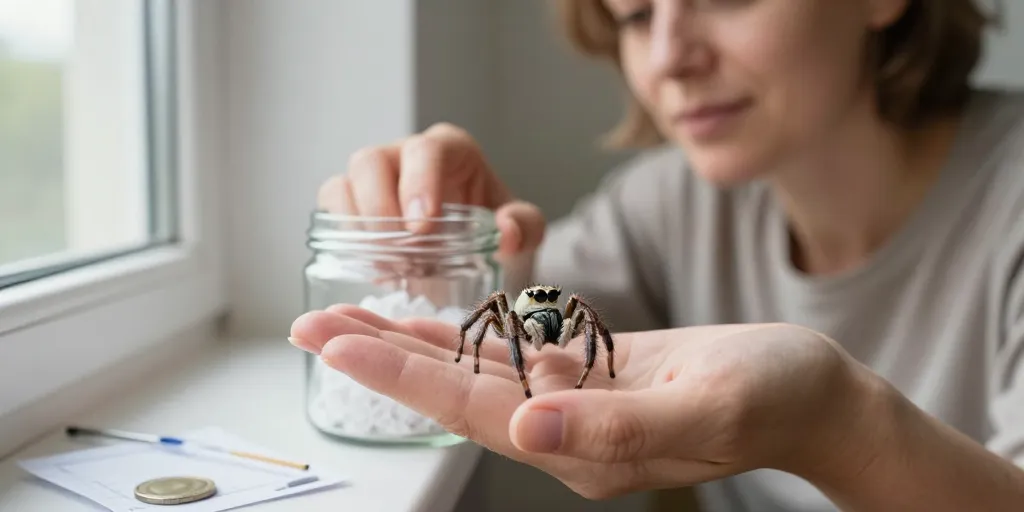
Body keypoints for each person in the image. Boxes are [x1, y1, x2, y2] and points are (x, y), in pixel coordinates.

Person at [288, 0, 1024, 509]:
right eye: (637, 15)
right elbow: (517, 325)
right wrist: (453, 247)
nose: (670, 57)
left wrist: (840, 427)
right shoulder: (669, 206)